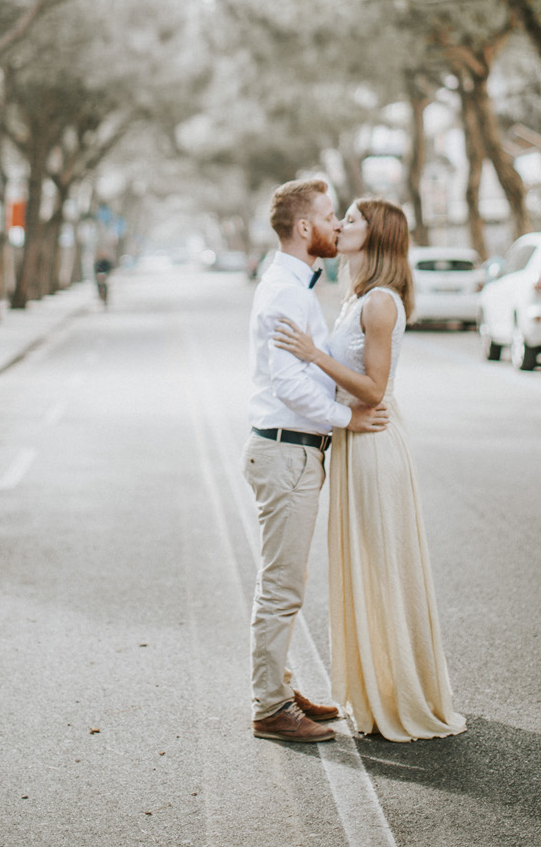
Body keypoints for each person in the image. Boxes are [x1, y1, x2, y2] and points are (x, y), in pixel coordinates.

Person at [274, 197, 467, 742]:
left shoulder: (380, 302)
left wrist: (314, 356)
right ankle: (378, 687)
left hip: (373, 441)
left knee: (381, 565)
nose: (340, 225)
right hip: (353, 438)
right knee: (364, 565)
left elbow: (375, 388)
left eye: (352, 220)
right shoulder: (354, 295)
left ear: (376, 235)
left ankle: (403, 693)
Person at [243, 179, 390, 744]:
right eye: (330, 217)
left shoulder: (293, 287)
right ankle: (270, 706)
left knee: (286, 580)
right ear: (305, 228)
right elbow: (287, 383)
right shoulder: (286, 293)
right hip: (285, 451)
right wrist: (347, 417)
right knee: (281, 586)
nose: (335, 226)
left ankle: (277, 685)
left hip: (292, 453)